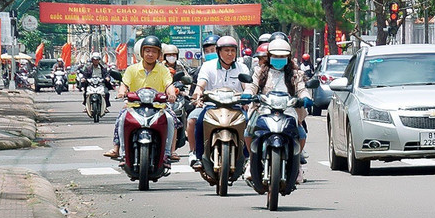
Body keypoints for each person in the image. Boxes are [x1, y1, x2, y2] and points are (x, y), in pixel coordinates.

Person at [243, 38, 312, 182]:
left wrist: (305, 98)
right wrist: (248, 94)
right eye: (276, 56)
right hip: (264, 109)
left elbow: (302, 89)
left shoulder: (295, 74)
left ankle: (297, 164)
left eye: (282, 56)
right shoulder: (260, 71)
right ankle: (251, 160)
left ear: (288, 57)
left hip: (288, 110)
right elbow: (252, 86)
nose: (279, 59)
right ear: (269, 56)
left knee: (301, 134)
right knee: (248, 132)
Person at [103, 36, 177, 163]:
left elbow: (169, 85)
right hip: (134, 106)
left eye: (154, 51)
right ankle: (119, 150)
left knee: (171, 119)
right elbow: (124, 84)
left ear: (159, 54)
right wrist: (121, 92)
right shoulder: (132, 69)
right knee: (121, 118)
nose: (150, 54)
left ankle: (168, 152)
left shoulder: (163, 70)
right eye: (147, 51)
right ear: (142, 52)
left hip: (158, 107)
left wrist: (171, 94)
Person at [187, 35, 250, 169]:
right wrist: (197, 93)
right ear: (218, 51)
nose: (230, 54)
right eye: (226, 50)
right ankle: (197, 155)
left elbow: (247, 86)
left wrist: (248, 97)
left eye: (233, 50)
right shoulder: (208, 66)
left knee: (249, 123)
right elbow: (201, 84)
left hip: (235, 107)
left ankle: (248, 157)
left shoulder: (242, 68)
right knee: (198, 122)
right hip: (211, 107)